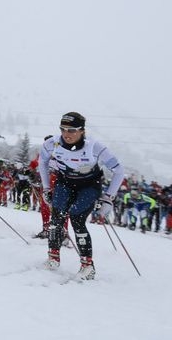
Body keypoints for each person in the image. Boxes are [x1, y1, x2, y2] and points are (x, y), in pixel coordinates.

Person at [37, 112, 125, 280]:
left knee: (77, 218)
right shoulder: (52, 143)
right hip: (65, 182)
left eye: (72, 130)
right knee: (56, 218)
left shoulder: (94, 146)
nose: (66, 134)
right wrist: (47, 188)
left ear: (82, 131)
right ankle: (53, 257)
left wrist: (108, 197)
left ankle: (87, 266)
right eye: (63, 129)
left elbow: (119, 170)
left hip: (89, 186)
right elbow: (43, 162)